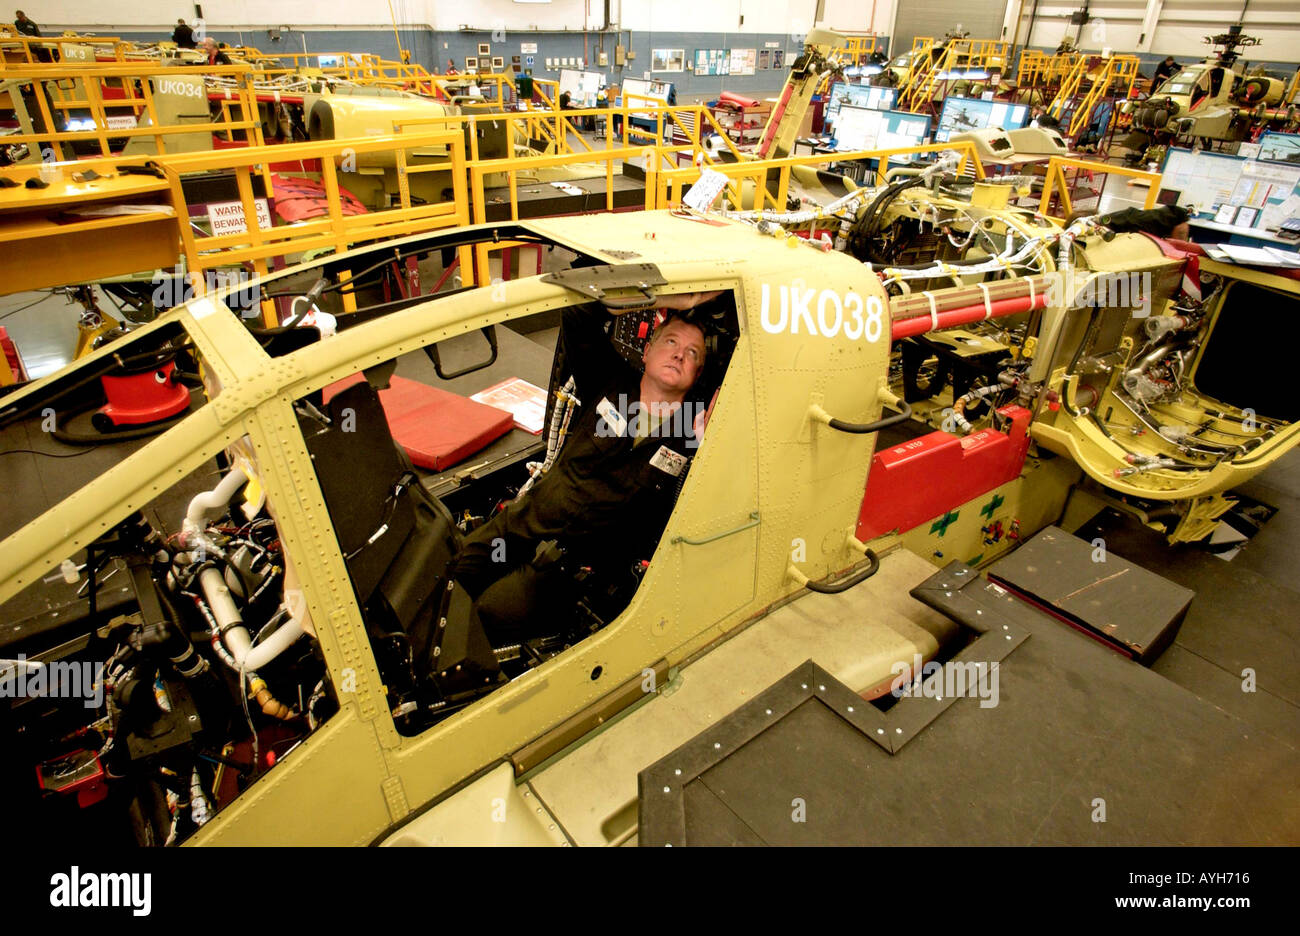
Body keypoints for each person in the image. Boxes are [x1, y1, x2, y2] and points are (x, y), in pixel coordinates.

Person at [450, 291, 723, 643]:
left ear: (697, 373)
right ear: (648, 349)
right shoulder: (608, 380)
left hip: (570, 569)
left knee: (489, 618)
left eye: (692, 354)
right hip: (521, 525)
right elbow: (579, 312)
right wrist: (657, 298)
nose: (678, 355)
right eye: (671, 342)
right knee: (450, 580)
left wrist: (714, 431)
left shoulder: (694, 432)